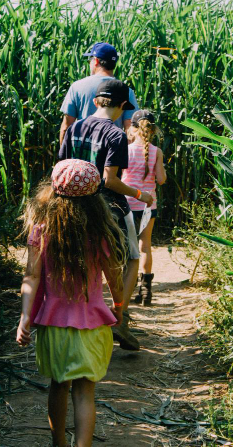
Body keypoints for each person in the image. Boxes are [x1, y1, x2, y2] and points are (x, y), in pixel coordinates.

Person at [16, 159, 127, 447]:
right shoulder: (100, 232)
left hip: (53, 325)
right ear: (94, 197)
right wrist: (119, 303)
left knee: (58, 385)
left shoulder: (42, 229)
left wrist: (25, 317)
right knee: (84, 392)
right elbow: (113, 273)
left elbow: (31, 276)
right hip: (92, 325)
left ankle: (59, 443)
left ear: (53, 191)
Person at [58, 78, 152, 350]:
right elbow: (110, 180)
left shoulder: (74, 127)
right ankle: (118, 317)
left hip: (72, 205)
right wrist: (139, 195)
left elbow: (61, 168)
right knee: (132, 258)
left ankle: (76, 320)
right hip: (108, 208)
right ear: (123, 106)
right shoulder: (116, 135)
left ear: (97, 101)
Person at [122, 110, 166, 305]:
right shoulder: (157, 152)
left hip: (127, 204)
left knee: (127, 246)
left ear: (132, 129)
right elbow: (162, 179)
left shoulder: (126, 150)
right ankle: (146, 291)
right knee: (145, 245)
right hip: (149, 204)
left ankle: (126, 290)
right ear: (154, 130)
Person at [59, 42, 139, 145]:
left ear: (96, 61)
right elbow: (130, 130)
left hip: (82, 151)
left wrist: (65, 158)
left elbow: (66, 126)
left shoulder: (77, 87)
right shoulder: (126, 91)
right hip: (111, 151)